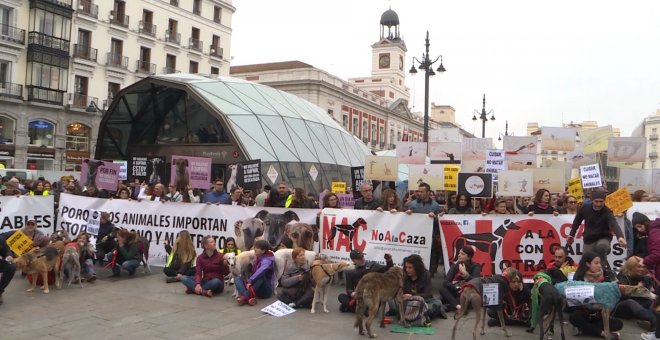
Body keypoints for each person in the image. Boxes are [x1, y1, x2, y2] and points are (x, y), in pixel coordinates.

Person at [567, 189, 626, 277]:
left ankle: (600, 272)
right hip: (589, 239)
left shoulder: (607, 211)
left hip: (604, 237)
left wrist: (620, 237)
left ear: (604, 201)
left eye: (601, 201)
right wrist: (572, 234)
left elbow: (613, 224)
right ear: (592, 200)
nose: (598, 204)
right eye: (596, 201)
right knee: (586, 259)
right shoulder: (585, 208)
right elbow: (576, 222)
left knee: (601, 247)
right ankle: (579, 278)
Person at [570, 251, 623, 339]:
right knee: (574, 318)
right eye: (596, 263)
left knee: (618, 324)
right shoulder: (579, 278)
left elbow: (611, 297)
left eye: (600, 263)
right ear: (587, 264)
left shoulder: (606, 276)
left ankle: (585, 329)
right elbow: (574, 302)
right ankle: (602, 333)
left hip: (600, 314)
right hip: (584, 312)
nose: (599, 265)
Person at [388, 254, 445, 320]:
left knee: (437, 302)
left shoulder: (426, 275)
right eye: (406, 267)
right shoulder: (404, 275)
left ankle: (409, 314)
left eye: (410, 267)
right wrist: (401, 295)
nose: (407, 270)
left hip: (421, 303)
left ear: (417, 267)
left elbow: (427, 294)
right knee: (391, 300)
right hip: (405, 303)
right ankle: (417, 315)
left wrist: (412, 297)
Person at [404, 182, 441, 275]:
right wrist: (406, 214)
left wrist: (435, 217)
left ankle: (429, 275)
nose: (419, 193)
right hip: (415, 236)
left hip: (430, 237)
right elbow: (403, 220)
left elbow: (439, 222)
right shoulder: (411, 204)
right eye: (418, 191)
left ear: (428, 192)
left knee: (430, 257)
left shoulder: (435, 206)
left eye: (421, 191)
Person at [615, 256, 655, 332]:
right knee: (630, 302)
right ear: (631, 266)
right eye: (639, 267)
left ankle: (649, 321)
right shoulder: (622, 277)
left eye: (644, 267)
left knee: (651, 302)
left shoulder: (642, 277)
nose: (642, 269)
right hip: (620, 306)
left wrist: (648, 283)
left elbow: (645, 296)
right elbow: (621, 295)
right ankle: (654, 321)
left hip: (635, 307)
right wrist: (637, 288)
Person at [438, 246, 482, 312]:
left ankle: (446, 308)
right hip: (455, 290)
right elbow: (446, 282)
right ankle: (459, 307)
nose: (459, 255)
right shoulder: (455, 266)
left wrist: (465, 274)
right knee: (442, 290)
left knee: (461, 297)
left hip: (468, 292)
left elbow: (475, 283)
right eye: (459, 253)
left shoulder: (475, 266)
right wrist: (457, 287)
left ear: (469, 257)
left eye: (462, 254)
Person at [235, 239, 275, 305]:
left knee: (261, 276)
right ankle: (248, 298)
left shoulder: (268, 260)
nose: (255, 249)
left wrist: (250, 281)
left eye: (257, 248)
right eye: (254, 247)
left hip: (265, 290)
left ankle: (245, 297)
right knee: (237, 278)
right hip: (254, 287)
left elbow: (261, 271)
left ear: (263, 251)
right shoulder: (257, 257)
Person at [643, 217, 660, 340]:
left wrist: (644, 261)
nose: (638, 230)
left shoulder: (654, 232)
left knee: (657, 306)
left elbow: (657, 253)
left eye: (639, 226)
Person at [0, 233, 16, 305]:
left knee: (11, 267)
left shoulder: (1, 239)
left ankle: (0, 290)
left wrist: (8, 255)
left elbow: (6, 249)